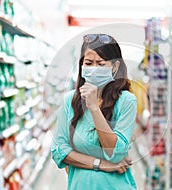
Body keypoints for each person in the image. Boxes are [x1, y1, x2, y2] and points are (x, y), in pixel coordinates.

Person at [51, 34, 138, 189]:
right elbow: (59, 150)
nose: (93, 69)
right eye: (88, 63)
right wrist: (101, 164)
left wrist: (94, 107)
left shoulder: (126, 101)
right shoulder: (70, 101)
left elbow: (115, 153)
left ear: (115, 67)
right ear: (81, 65)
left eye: (100, 63)